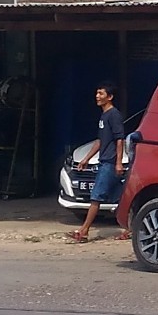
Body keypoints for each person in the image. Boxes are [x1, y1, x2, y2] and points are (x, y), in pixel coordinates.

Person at [67, 81, 129, 243]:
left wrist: (118, 162)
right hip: (104, 162)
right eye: (97, 93)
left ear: (110, 97)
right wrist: (86, 159)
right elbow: (100, 141)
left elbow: (119, 139)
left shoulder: (114, 115)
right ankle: (129, 229)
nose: (97, 96)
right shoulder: (104, 116)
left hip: (109, 163)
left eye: (101, 94)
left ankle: (84, 231)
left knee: (96, 198)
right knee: (120, 197)